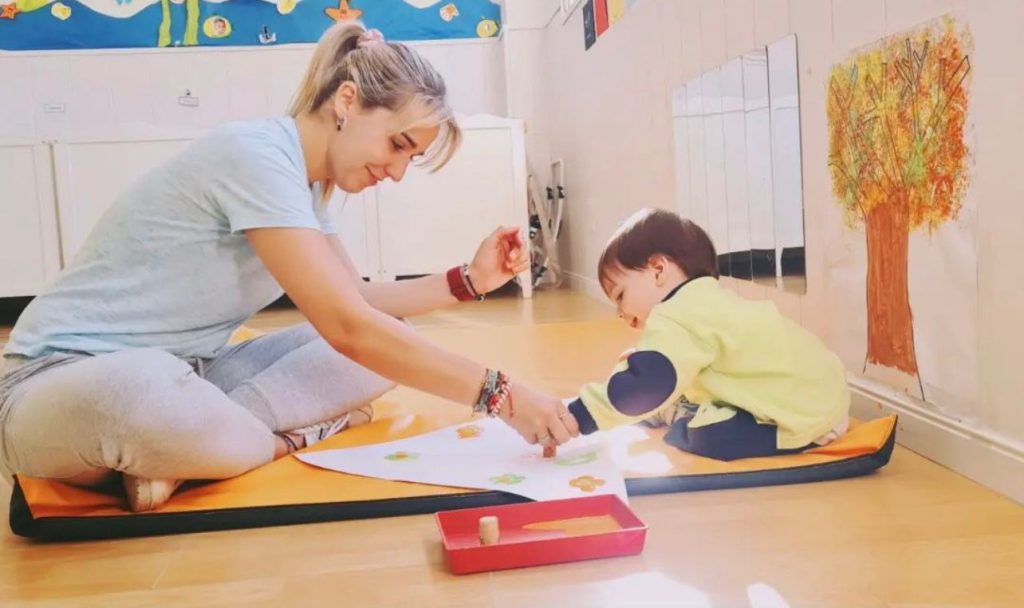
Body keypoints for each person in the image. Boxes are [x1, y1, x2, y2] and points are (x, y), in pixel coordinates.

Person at [0, 24, 577, 512]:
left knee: (391, 340)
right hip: (53, 384)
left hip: (192, 372)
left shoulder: (306, 187)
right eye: (398, 144)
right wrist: (502, 395)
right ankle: (275, 441)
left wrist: (469, 280)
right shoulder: (255, 157)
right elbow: (348, 328)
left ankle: (195, 450)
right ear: (347, 101)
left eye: (412, 156)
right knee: (139, 393)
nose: (398, 172)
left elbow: (356, 302)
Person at [563, 208, 849, 461]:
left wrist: (579, 415)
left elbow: (645, 384)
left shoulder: (677, 315)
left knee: (704, 435)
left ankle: (676, 412)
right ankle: (674, 406)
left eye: (620, 295)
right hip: (826, 398)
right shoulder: (707, 302)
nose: (620, 312)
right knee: (677, 386)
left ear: (658, 270)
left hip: (799, 418)